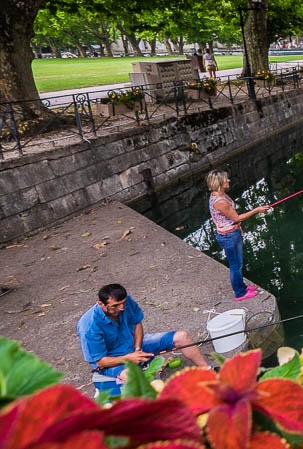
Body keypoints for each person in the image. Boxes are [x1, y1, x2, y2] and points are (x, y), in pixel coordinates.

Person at [77, 283, 213, 396]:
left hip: (132, 344)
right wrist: (130, 358)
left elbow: (137, 323)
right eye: (115, 306)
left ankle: (208, 371)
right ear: (101, 304)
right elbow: (100, 361)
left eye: (123, 303)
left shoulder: (125, 302)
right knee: (133, 377)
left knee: (181, 337)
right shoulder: (88, 327)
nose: (122, 308)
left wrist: (137, 349)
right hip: (112, 359)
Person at [207, 169, 271, 301]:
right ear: (219, 183)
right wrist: (257, 210)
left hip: (233, 233)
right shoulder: (220, 201)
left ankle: (241, 286)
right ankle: (240, 293)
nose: (228, 180)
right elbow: (236, 218)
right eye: (226, 179)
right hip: (229, 236)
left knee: (239, 263)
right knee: (235, 266)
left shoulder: (221, 194)